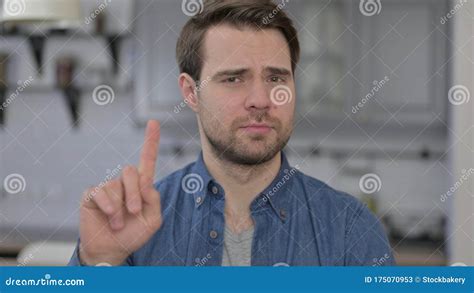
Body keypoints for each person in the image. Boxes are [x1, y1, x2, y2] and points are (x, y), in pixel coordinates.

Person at [69, 0, 394, 266]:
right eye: (233, 79)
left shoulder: (350, 228)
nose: (260, 100)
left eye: (276, 78)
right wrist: (99, 263)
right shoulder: (134, 230)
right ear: (191, 92)